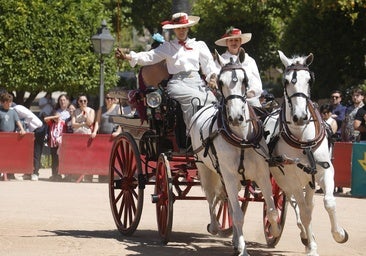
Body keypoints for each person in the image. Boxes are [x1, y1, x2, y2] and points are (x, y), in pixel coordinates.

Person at [115, 12, 218, 130]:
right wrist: (127, 56)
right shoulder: (168, 46)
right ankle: (191, 132)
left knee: (212, 100)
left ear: (188, 28)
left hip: (197, 82)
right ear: (174, 30)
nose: (181, 31)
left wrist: (213, 77)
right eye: (178, 28)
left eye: (183, 27)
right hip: (178, 84)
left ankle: (210, 131)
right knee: (194, 98)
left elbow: (209, 65)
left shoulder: (199, 45)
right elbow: (149, 56)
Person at [214, 27, 262, 107]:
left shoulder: (250, 61)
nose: (234, 43)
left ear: (241, 42)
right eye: (231, 40)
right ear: (227, 42)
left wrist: (252, 92)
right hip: (227, 99)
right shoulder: (221, 60)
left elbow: (256, 81)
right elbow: (216, 78)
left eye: (236, 40)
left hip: (249, 100)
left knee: (260, 116)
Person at [91, 92, 121, 182]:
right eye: (107, 98)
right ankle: (102, 176)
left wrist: (118, 132)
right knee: (102, 157)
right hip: (102, 136)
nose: (109, 100)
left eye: (111, 98)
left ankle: (114, 176)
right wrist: (95, 131)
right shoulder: (101, 109)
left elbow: (121, 123)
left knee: (114, 156)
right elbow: (97, 122)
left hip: (113, 137)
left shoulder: (117, 108)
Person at [13, 104, 46, 181]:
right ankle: (28, 173)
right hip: (30, 130)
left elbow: (28, 117)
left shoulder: (17, 108)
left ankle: (35, 173)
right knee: (28, 153)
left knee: (36, 152)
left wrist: (24, 127)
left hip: (38, 129)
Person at [45, 94, 72, 181]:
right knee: (55, 157)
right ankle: (55, 174)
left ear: (67, 101)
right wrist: (56, 116)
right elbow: (47, 120)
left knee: (66, 158)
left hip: (65, 138)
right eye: (60, 100)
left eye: (64, 100)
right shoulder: (55, 111)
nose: (62, 102)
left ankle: (67, 175)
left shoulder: (70, 111)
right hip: (54, 138)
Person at [0, 92, 26, 180]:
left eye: (10, 102)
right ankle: (3, 174)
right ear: (2, 102)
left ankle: (10, 174)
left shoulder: (13, 111)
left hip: (11, 137)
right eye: (7, 102)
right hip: (2, 137)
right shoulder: (0, 111)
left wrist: (22, 129)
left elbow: (17, 121)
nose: (9, 104)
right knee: (2, 156)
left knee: (10, 156)